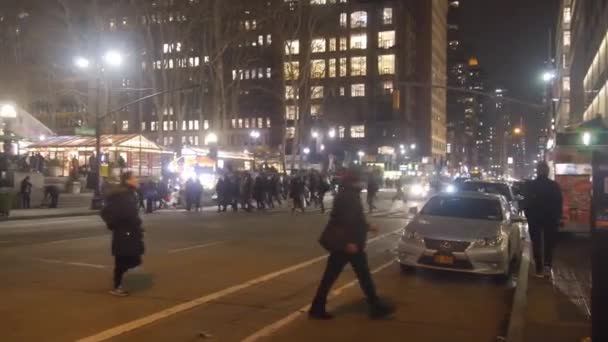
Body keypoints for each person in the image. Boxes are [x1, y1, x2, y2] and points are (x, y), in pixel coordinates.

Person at [310, 170, 394, 320]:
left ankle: (317, 307)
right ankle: (375, 307)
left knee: (336, 277)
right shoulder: (348, 197)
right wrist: (350, 242)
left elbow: (355, 219)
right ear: (353, 182)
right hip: (349, 245)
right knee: (362, 276)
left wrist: (368, 226)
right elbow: (346, 222)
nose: (363, 183)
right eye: (360, 180)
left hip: (347, 244)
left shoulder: (348, 195)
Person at [100, 172, 145, 297]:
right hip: (125, 232)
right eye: (134, 178)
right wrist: (116, 224)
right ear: (128, 181)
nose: (137, 180)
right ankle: (117, 286)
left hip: (129, 231)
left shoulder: (130, 194)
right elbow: (124, 213)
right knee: (123, 259)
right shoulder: (123, 196)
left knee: (131, 258)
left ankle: (117, 284)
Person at [523, 161, 563, 278]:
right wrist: (558, 217)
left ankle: (539, 267)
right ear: (547, 171)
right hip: (550, 218)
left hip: (535, 218)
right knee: (549, 243)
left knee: (536, 242)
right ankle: (547, 265)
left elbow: (526, 202)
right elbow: (559, 202)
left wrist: (529, 215)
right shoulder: (554, 185)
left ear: (537, 171)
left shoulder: (530, 185)